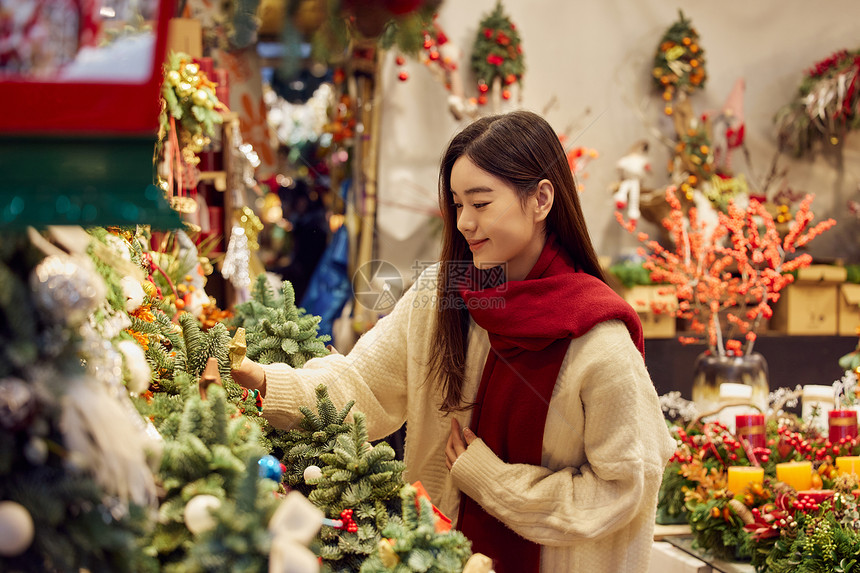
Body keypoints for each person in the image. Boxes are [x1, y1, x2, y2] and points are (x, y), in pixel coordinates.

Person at [233, 110, 675, 573]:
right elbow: (360, 386)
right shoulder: (441, 298)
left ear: (542, 199)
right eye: (457, 203)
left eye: (481, 204)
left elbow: (625, 487)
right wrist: (261, 378)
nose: (464, 222)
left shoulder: (599, 340)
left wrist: (494, 482)